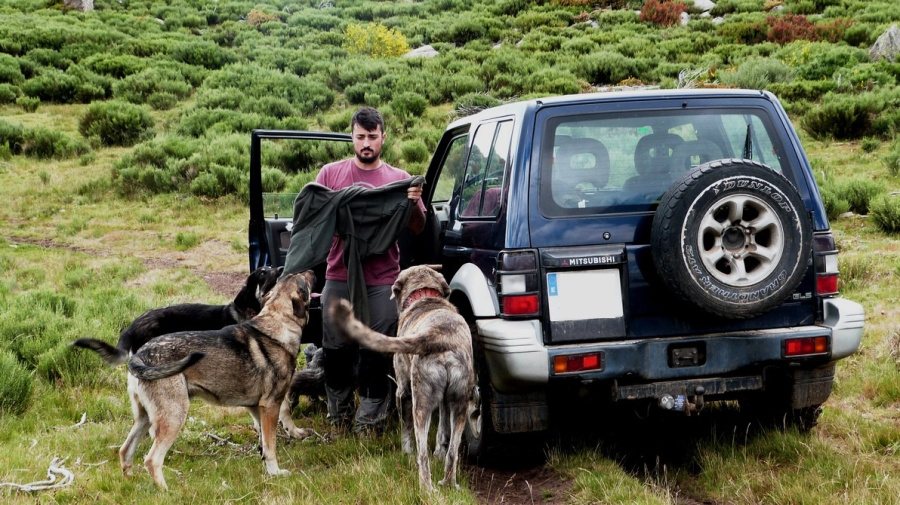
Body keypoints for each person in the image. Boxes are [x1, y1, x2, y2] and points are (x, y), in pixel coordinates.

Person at [314, 107, 425, 433]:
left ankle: (371, 422)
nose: (366, 143)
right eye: (360, 137)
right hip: (339, 275)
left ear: (383, 138)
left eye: (372, 137)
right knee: (335, 350)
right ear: (352, 136)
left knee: (376, 351)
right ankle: (340, 417)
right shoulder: (330, 175)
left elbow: (418, 227)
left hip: (382, 280)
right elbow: (314, 221)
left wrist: (412, 202)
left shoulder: (399, 179)